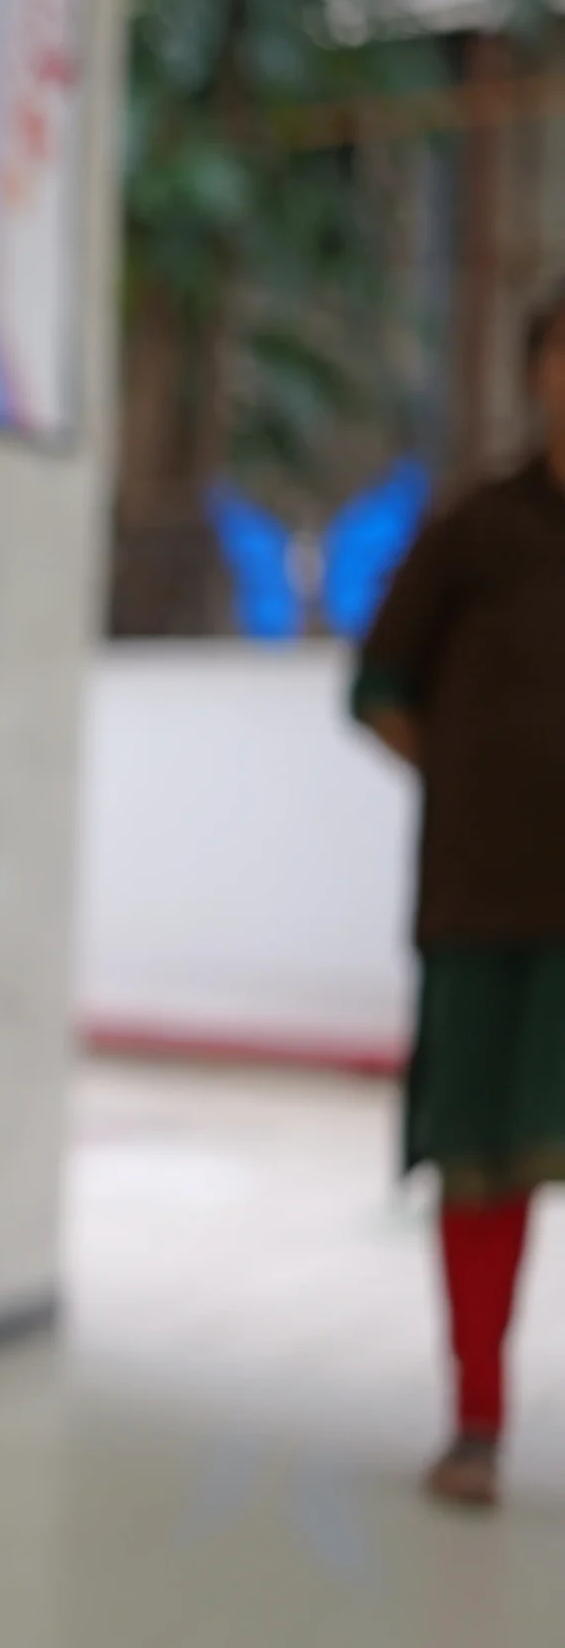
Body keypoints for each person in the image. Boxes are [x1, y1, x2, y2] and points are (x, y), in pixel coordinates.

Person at [356, 289, 565, 1512]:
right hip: (482, 903)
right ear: (536, 374)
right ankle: (474, 1423)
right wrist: (483, 777)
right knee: (481, 1168)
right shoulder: (473, 531)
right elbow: (377, 684)